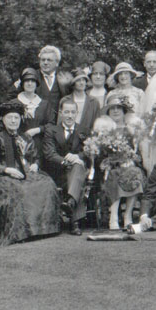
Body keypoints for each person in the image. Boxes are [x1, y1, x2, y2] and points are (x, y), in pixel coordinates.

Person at [0, 100, 60, 244]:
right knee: (18, 190)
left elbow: (36, 156)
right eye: (10, 118)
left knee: (48, 184)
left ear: (20, 119)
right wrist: (7, 169)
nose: (13, 121)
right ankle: (21, 233)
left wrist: (35, 165)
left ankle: (44, 229)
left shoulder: (26, 137)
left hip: (27, 172)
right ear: (3, 120)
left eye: (16, 118)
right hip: (5, 175)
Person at [98, 94, 146, 230]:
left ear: (124, 111)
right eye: (112, 108)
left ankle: (128, 215)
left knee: (135, 172)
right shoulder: (104, 130)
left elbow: (136, 153)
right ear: (108, 112)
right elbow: (100, 153)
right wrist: (108, 161)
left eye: (118, 108)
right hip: (110, 167)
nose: (115, 111)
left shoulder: (131, 130)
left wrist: (131, 159)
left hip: (129, 165)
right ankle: (113, 215)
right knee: (115, 174)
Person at [43, 97, 90, 235]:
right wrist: (66, 160)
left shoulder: (84, 130)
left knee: (78, 168)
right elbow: (49, 153)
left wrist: (78, 157)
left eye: (72, 112)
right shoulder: (51, 130)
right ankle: (74, 221)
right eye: (66, 112)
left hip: (80, 170)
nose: (69, 115)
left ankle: (70, 203)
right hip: (59, 171)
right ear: (61, 113)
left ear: (77, 113)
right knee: (76, 173)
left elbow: (89, 151)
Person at [0, 68, 55, 159]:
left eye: (32, 81)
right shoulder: (14, 103)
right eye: (27, 81)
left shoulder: (45, 104)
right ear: (22, 84)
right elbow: (2, 122)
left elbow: (52, 124)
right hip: (17, 144)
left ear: (36, 84)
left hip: (40, 146)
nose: (29, 83)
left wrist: (38, 129)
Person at [23, 45, 71, 114]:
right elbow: (14, 96)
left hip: (57, 122)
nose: (45, 63)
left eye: (49, 60)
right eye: (43, 60)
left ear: (57, 63)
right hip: (35, 121)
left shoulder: (64, 78)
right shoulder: (31, 76)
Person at [59, 68, 101, 136]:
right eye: (78, 80)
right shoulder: (65, 100)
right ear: (73, 83)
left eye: (83, 80)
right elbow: (60, 123)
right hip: (68, 137)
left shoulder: (94, 102)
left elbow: (97, 125)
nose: (82, 83)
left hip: (87, 139)